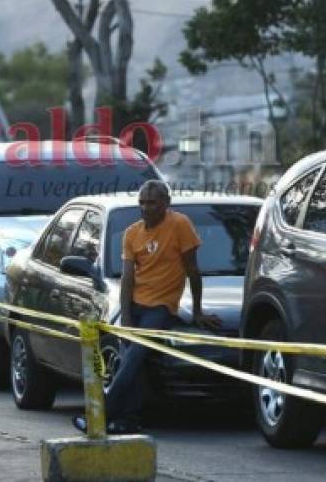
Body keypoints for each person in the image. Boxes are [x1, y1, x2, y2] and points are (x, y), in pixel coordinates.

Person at [74, 179, 221, 434]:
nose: (145, 208)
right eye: (141, 203)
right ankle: (128, 420)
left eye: (152, 202)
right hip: (135, 305)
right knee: (133, 362)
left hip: (161, 307)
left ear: (166, 203)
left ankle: (101, 414)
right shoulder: (132, 233)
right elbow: (128, 278)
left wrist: (197, 310)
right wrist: (127, 315)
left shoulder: (180, 225)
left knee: (130, 362)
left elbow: (193, 271)